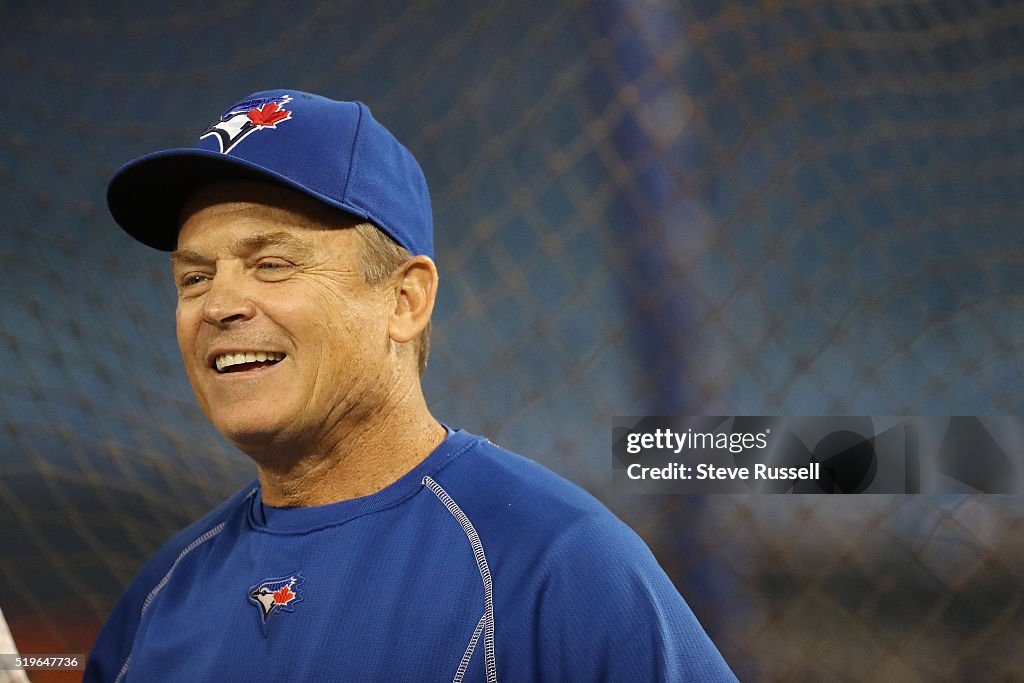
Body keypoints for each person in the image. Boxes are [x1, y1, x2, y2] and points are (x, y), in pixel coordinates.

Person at [85, 89, 737, 682]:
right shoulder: (159, 596)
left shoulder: (556, 564)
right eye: (194, 277)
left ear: (405, 299)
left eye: (272, 263)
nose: (218, 303)